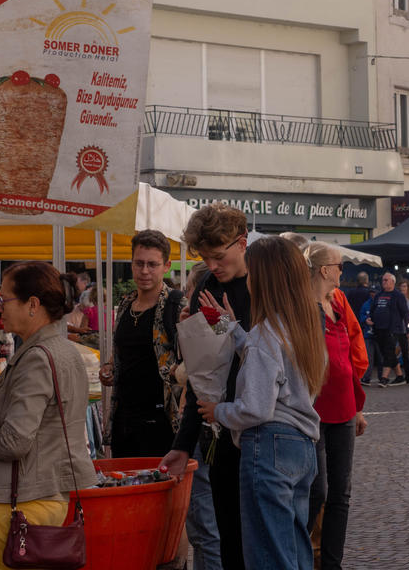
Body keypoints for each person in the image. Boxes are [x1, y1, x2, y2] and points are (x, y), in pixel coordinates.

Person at [196, 237, 326, 570]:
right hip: (302, 447)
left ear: (264, 279)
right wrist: (227, 325)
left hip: (269, 445)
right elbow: (260, 351)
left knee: (268, 555)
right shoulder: (302, 327)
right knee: (293, 551)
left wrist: (219, 412)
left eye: (252, 273)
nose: (247, 279)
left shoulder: (268, 333)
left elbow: (255, 408)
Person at [0, 262, 97, 569]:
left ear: (33, 305)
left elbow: (15, 441)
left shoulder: (38, 357)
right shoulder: (62, 350)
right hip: (41, 496)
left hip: (18, 505)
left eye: (5, 299)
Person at [160, 203, 251, 569]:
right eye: (205, 257)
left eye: (218, 256)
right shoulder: (207, 293)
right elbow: (206, 372)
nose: (212, 266)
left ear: (242, 243)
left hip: (270, 428)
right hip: (223, 430)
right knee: (229, 538)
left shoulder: (268, 284)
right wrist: (183, 446)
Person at [304, 242, 367, 570]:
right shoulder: (302, 307)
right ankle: (300, 556)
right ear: (324, 270)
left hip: (343, 409)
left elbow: (347, 360)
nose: (343, 270)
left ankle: (331, 563)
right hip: (313, 411)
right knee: (317, 490)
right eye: (339, 265)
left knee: (340, 493)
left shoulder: (337, 304)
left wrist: (358, 407)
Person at [99, 230, 184, 459]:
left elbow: (197, 359)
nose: (145, 271)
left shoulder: (176, 304)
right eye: (139, 263)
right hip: (124, 418)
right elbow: (122, 353)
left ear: (166, 266)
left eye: (152, 264)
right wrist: (109, 369)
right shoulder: (126, 304)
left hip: (161, 420)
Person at [179, 261, 222, 570]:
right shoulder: (212, 320)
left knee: (206, 531)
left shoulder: (211, 320)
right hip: (209, 427)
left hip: (208, 428)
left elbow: (195, 372)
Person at [372, 273, 409, 386]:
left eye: (386, 280)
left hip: (393, 329)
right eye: (383, 280)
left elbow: (405, 313)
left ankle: (384, 378)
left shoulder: (398, 296)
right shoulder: (379, 295)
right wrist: (370, 318)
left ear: (393, 282)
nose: (383, 282)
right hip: (379, 328)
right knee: (386, 353)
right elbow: (373, 309)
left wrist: (408, 330)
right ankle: (399, 376)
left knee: (389, 352)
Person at [359, 287, 383, 386]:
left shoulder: (381, 302)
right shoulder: (366, 304)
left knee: (381, 357)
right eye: (371, 292)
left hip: (379, 334)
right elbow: (361, 316)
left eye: (374, 292)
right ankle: (366, 378)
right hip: (368, 335)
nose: (373, 294)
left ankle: (382, 378)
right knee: (369, 357)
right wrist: (365, 319)